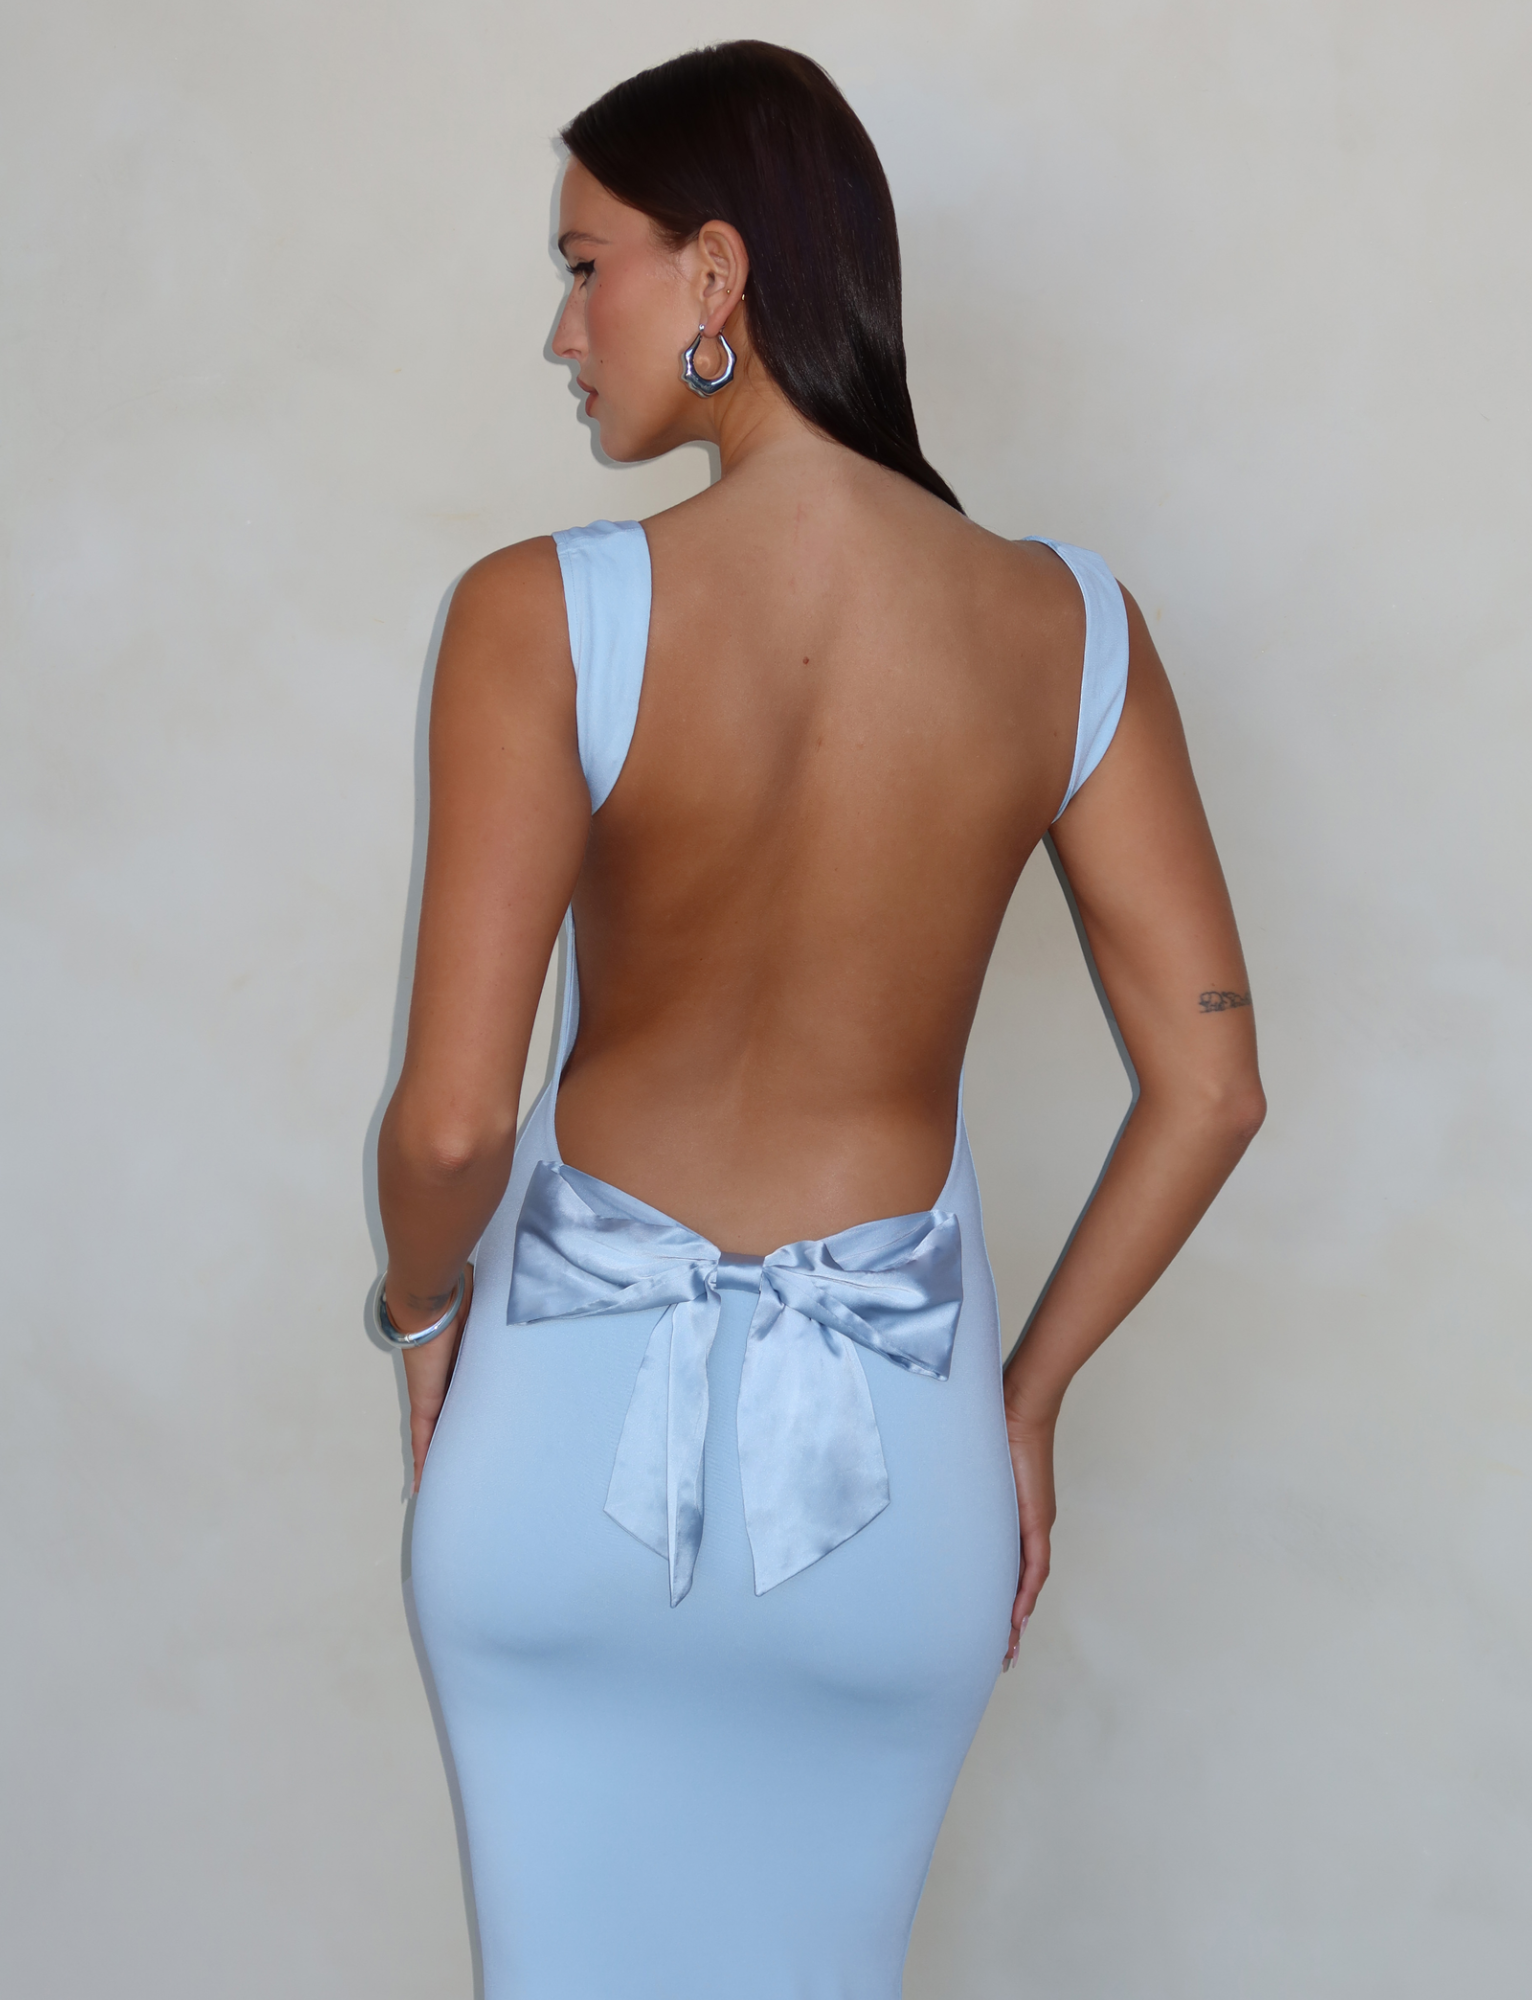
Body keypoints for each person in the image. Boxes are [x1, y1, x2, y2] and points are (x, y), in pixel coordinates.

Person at [372, 39, 1264, 2000]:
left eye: (584, 267)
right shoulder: (1068, 631)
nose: (561, 331)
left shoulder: (540, 610)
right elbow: (1211, 1085)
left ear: (714, 273)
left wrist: (424, 1320)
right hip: (891, 1480)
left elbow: (451, 1130)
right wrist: (1022, 1403)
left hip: (557, 1463)